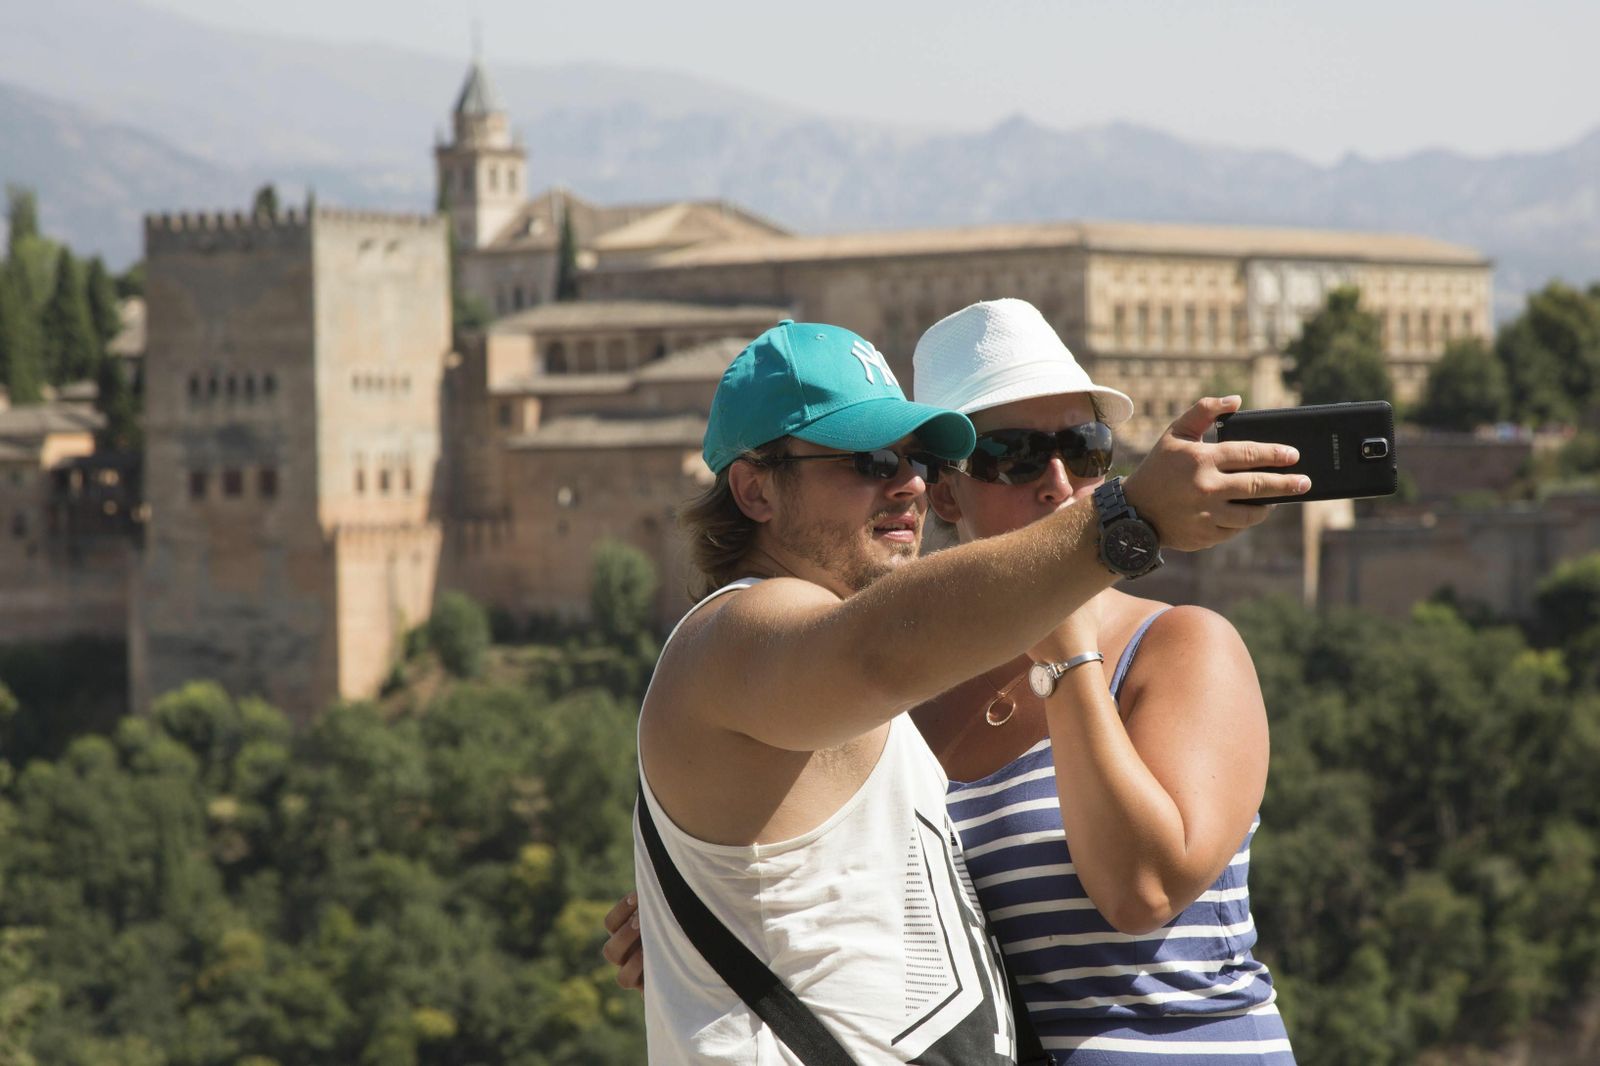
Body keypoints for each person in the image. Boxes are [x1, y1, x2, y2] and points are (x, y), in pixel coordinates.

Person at [624, 317, 1304, 1063]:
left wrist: (708, 913)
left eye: (1086, 450)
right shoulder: (754, 631)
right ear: (755, 490)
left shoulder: (1170, 646)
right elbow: (875, 654)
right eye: (868, 460)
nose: (908, 482)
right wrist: (1124, 519)